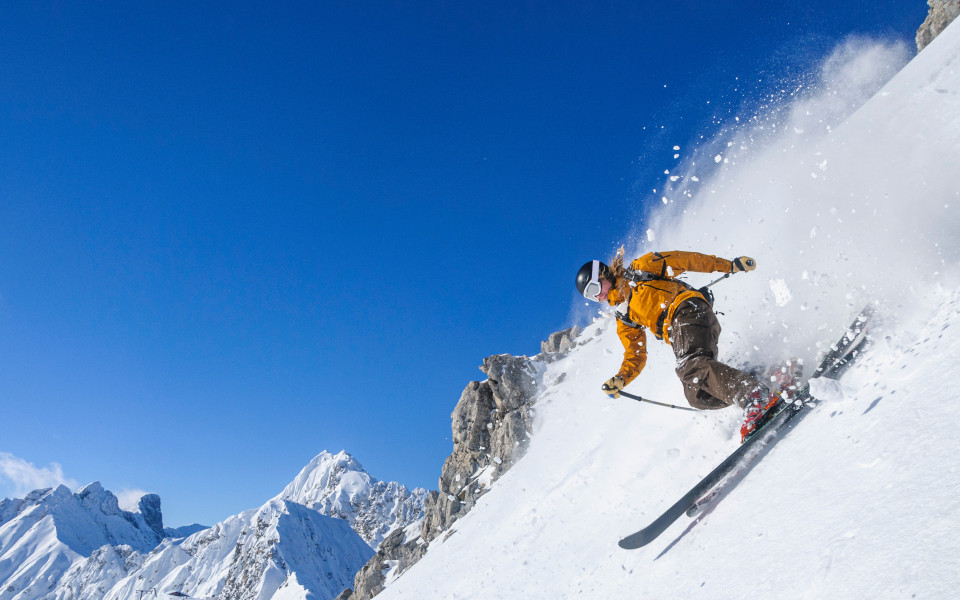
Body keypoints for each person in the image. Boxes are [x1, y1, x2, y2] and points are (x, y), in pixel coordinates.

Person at [575, 249, 778, 441]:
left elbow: (685, 260)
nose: (597, 297)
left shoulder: (640, 269)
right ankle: (758, 377)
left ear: (603, 275)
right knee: (696, 395)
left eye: (595, 289)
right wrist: (621, 378)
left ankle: (753, 395)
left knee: (690, 368)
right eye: (590, 297)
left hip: (687, 309)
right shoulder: (624, 317)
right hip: (679, 334)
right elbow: (634, 354)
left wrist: (729, 265)